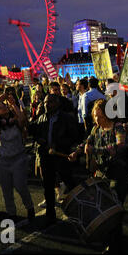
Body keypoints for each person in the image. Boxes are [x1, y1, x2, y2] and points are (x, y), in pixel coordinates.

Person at [69, 99, 128, 254]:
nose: (97, 119)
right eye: (95, 116)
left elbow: (120, 146)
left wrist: (96, 150)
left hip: (118, 174)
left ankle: (116, 246)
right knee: (105, 211)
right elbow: (86, 143)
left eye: (100, 116)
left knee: (114, 212)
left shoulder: (118, 128)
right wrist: (76, 152)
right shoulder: (96, 129)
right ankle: (113, 243)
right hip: (102, 175)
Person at [29, 94, 78, 226]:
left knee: (70, 183)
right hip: (46, 156)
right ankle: (50, 214)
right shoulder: (42, 117)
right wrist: (39, 140)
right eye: (45, 102)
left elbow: (74, 136)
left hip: (61, 155)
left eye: (50, 102)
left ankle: (79, 209)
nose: (47, 104)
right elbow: (33, 131)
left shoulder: (66, 118)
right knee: (48, 186)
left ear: (57, 103)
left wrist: (59, 144)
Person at [0, 92, 35, 221]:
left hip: (18, 158)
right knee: (6, 190)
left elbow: (23, 119)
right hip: (3, 160)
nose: (2, 107)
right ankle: (11, 213)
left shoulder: (16, 121)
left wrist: (13, 104)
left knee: (20, 186)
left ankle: (29, 207)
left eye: (4, 105)